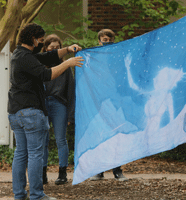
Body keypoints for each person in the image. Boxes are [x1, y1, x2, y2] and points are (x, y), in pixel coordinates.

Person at [8, 23, 83, 200]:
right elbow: (47, 75)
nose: (41, 44)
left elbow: (47, 57)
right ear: (33, 40)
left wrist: (67, 50)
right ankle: (36, 195)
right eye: (41, 41)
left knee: (21, 153)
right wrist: (69, 63)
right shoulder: (25, 58)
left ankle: (19, 194)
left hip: (16, 113)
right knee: (35, 154)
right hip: (31, 112)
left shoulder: (21, 55)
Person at [90, 29, 128, 181]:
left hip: (115, 101)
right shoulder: (93, 58)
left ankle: (117, 170)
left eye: (109, 40)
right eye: (104, 40)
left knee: (115, 136)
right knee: (100, 136)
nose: (106, 43)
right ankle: (99, 170)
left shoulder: (118, 58)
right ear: (99, 41)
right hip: (98, 102)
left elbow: (123, 78)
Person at [40, 34, 75, 185]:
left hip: (59, 105)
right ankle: (42, 174)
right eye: (51, 48)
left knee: (61, 140)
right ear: (46, 49)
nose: (55, 50)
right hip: (42, 105)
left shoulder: (66, 68)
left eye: (57, 47)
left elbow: (71, 92)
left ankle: (62, 174)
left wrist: (70, 115)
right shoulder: (40, 66)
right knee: (43, 141)